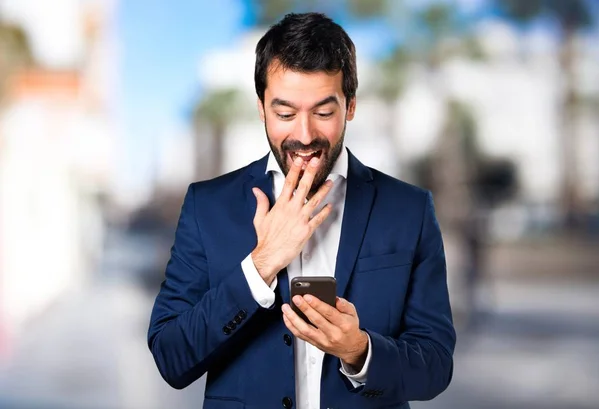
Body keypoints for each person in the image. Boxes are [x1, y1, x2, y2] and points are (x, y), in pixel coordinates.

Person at [147, 12, 456, 409]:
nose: (305, 135)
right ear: (261, 108)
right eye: (285, 113)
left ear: (351, 106)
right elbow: (171, 357)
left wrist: (360, 351)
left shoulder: (408, 210)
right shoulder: (208, 208)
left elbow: (435, 366)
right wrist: (261, 265)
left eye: (324, 112)